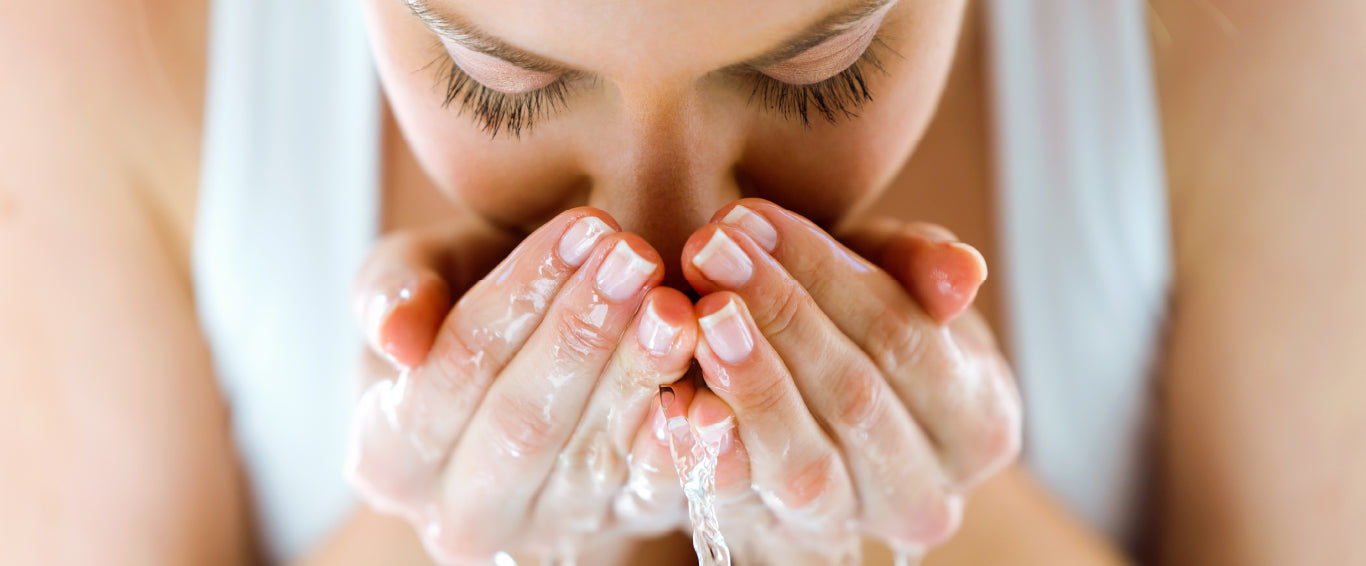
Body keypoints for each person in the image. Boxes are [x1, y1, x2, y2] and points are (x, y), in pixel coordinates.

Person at [2, 0, 1363, 564]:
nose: (662, 240)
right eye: (501, 78)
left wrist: (941, 523)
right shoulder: (107, 48)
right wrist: (445, 530)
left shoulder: (1256, 42)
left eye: (818, 67)